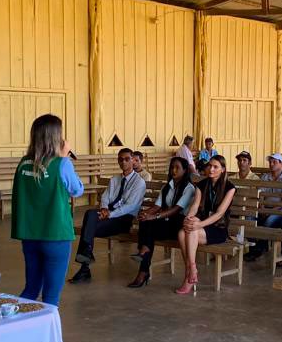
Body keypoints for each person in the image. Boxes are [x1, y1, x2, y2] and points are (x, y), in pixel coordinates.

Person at [12, 114, 84, 305]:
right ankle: (47, 335)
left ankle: (16, 329)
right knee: (51, 296)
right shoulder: (62, 163)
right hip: (55, 234)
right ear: (56, 137)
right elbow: (77, 190)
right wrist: (64, 158)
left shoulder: (23, 163)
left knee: (31, 288)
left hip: (30, 235)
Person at [69, 148, 147, 284]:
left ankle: (84, 269)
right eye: (120, 159)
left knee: (89, 226)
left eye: (127, 159)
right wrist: (104, 208)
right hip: (109, 215)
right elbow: (105, 196)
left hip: (123, 219)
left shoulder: (139, 182)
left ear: (133, 160)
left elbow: (130, 206)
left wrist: (110, 214)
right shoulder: (115, 179)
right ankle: (86, 254)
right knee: (90, 214)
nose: (123, 162)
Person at [127, 157, 195, 288]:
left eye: (177, 168)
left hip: (179, 225)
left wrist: (154, 216)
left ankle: (143, 267)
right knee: (145, 221)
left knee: (149, 228)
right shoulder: (166, 187)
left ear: (185, 170)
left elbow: (176, 210)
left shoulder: (189, 188)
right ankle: (144, 254)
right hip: (166, 223)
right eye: (172, 167)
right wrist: (146, 213)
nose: (173, 170)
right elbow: (157, 206)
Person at [175, 155, 237, 294]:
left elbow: (220, 213)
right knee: (182, 232)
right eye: (210, 166)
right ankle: (192, 270)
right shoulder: (202, 184)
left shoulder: (230, 187)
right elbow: (195, 206)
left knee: (189, 232)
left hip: (218, 228)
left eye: (216, 167)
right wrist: (189, 218)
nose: (211, 169)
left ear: (223, 170)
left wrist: (199, 224)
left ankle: (189, 273)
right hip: (201, 225)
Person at [244, 153, 282, 261]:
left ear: (281, 164)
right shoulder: (265, 177)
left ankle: (259, 249)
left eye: (274, 162)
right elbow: (261, 196)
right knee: (249, 218)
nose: (271, 164)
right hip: (265, 208)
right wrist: (262, 208)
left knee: (269, 221)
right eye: (270, 162)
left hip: (281, 210)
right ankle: (253, 246)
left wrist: (271, 211)